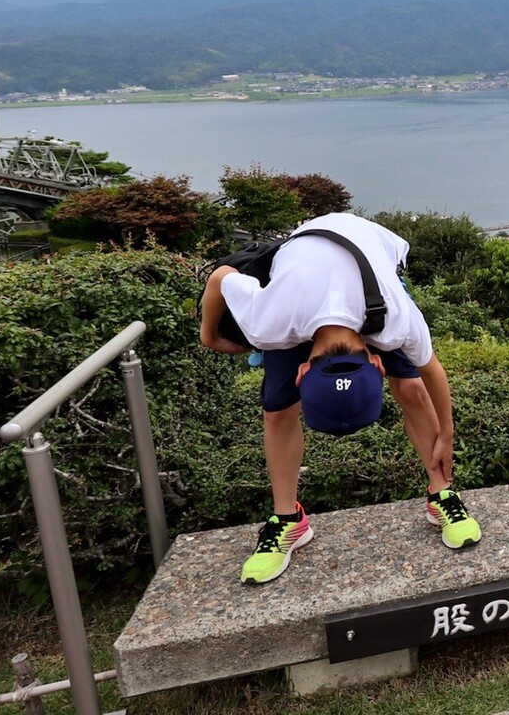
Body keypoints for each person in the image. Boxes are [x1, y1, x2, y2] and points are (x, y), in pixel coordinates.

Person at [199, 212, 481, 584]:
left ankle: (441, 493)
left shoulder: (394, 319)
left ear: (377, 359)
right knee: (278, 412)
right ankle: (288, 520)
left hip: (372, 266)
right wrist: (210, 337)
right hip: (301, 275)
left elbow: (432, 373)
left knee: (411, 387)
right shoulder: (270, 324)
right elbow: (221, 277)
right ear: (303, 370)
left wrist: (447, 433)